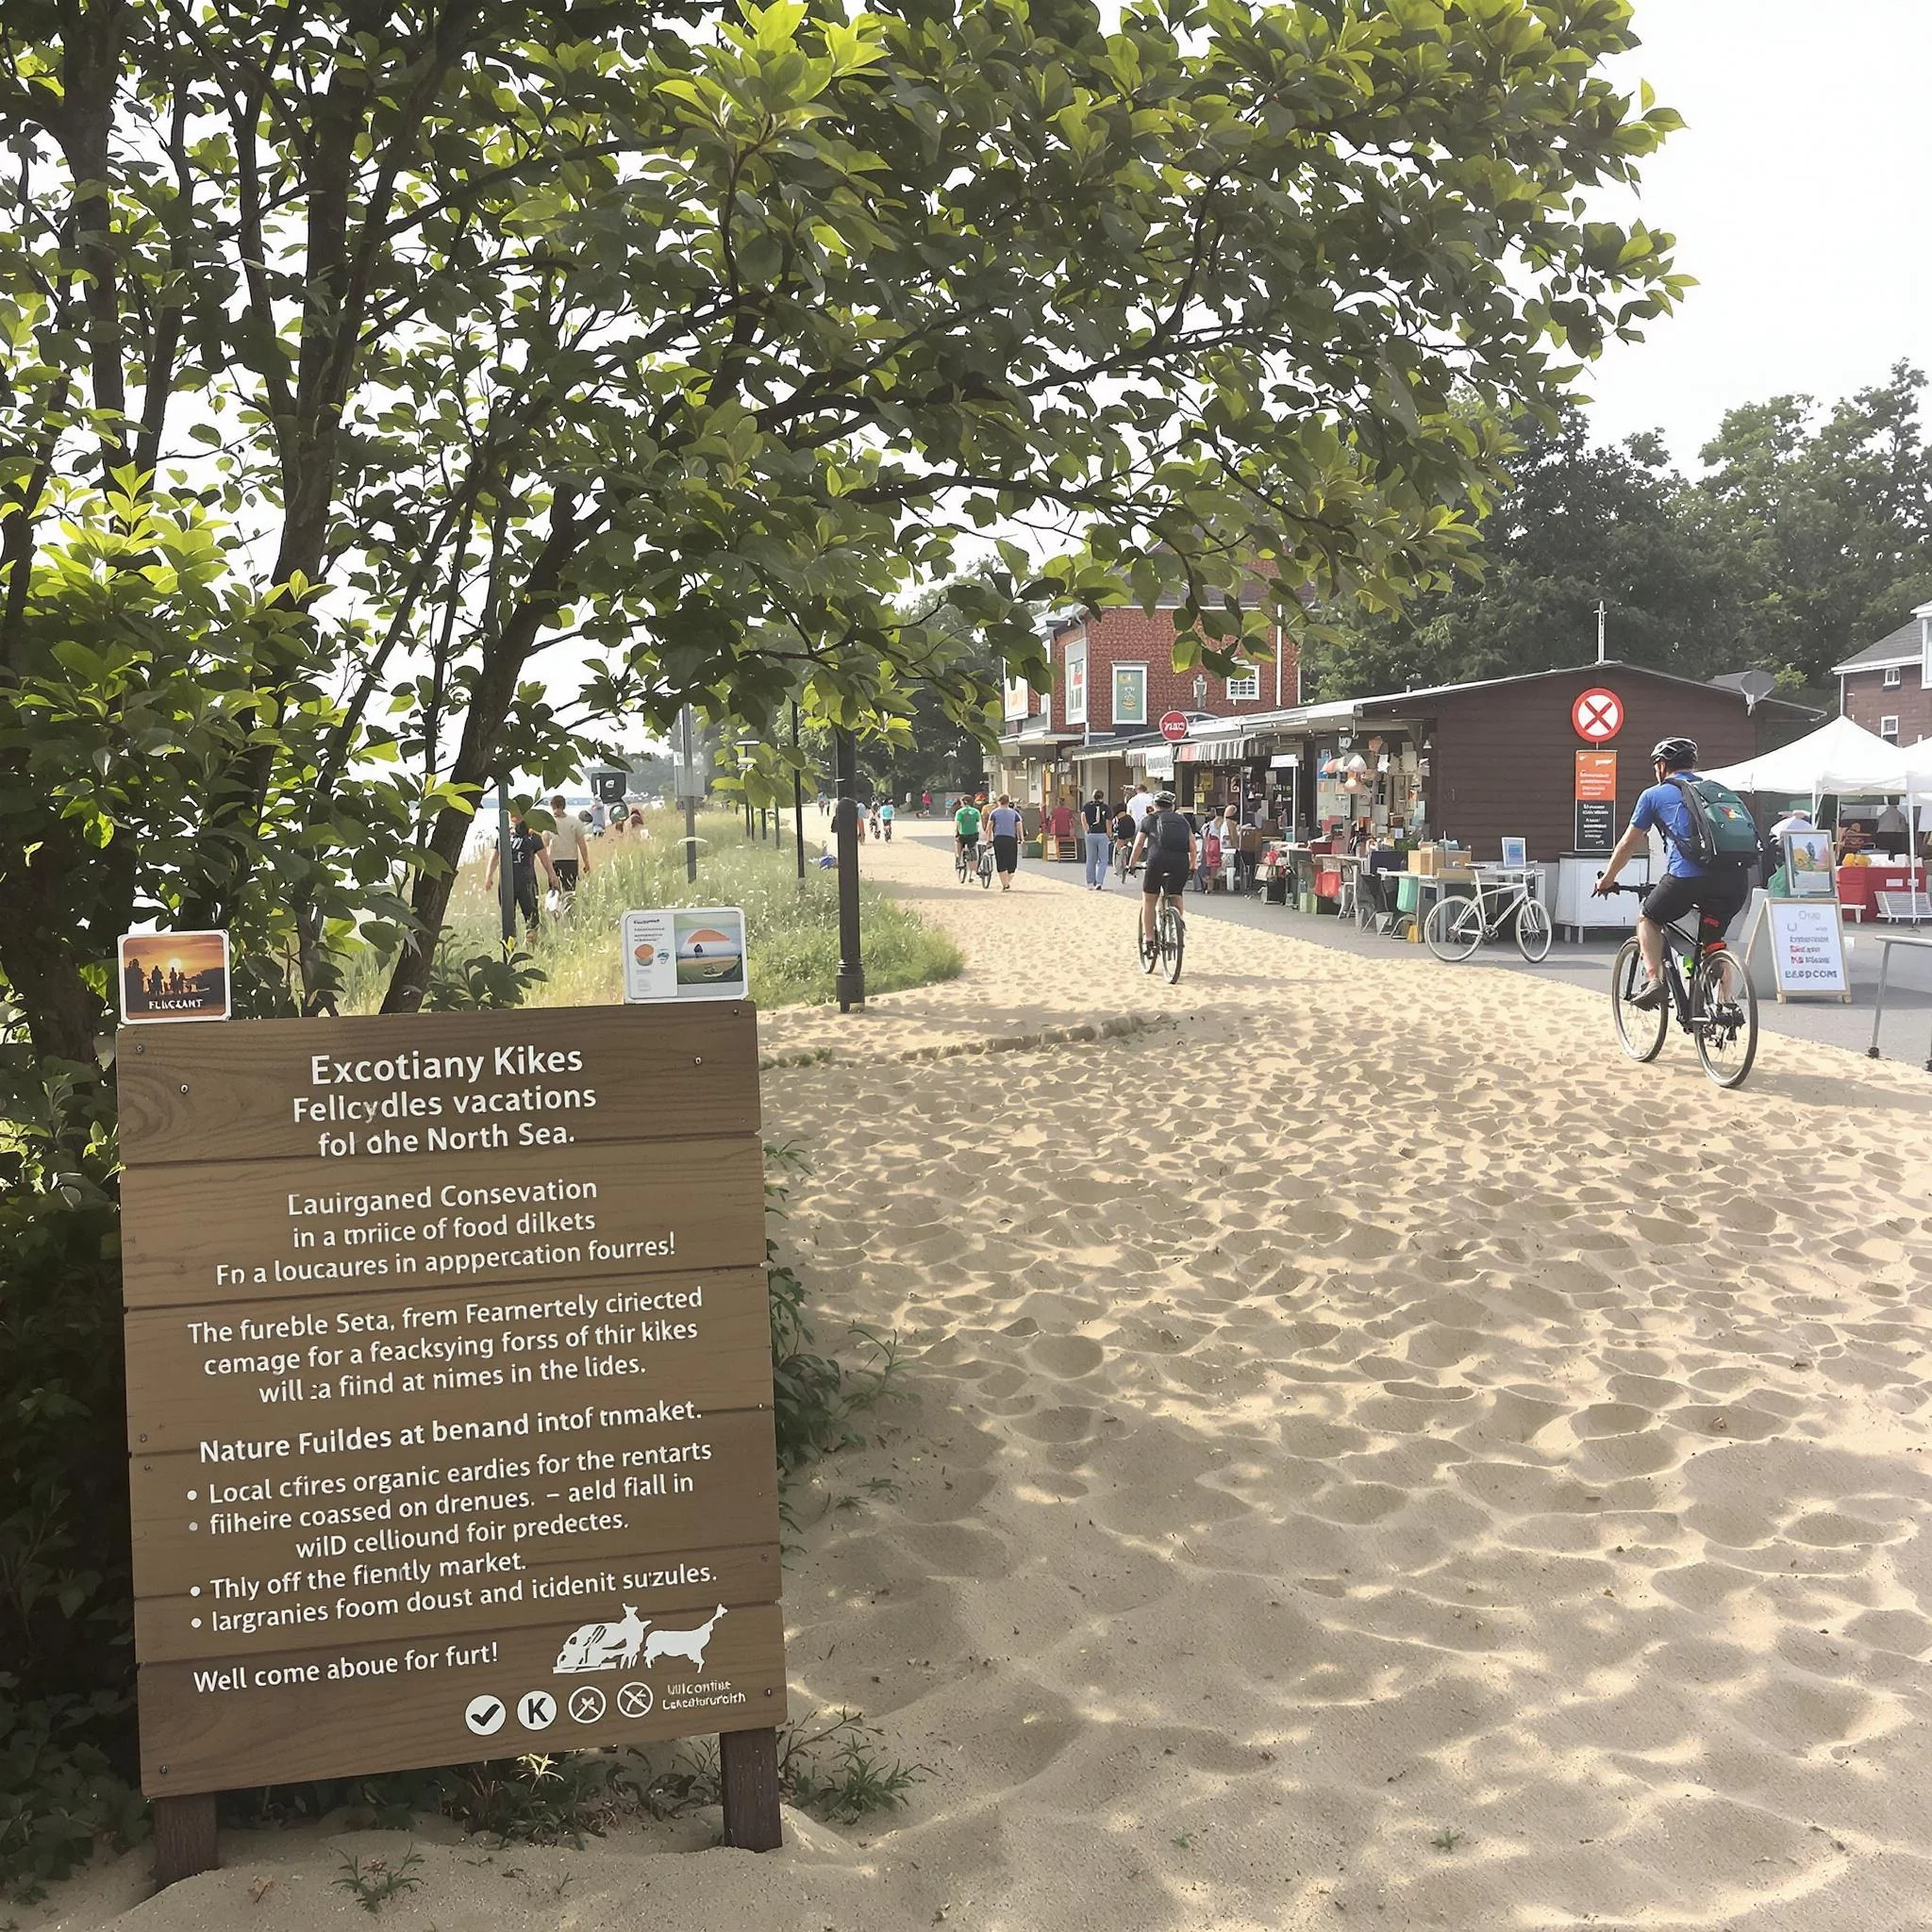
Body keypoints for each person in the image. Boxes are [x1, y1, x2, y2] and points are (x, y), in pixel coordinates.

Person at [1592, 736, 1748, 1009]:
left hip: (1687, 879)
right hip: (1735, 882)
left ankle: (1654, 981)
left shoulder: (1654, 795)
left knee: (1648, 918)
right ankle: (1726, 1005)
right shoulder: (1716, 791)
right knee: (1713, 942)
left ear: (1662, 765)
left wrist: (1607, 879)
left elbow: (1629, 843)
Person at [1128, 791, 1196, 949]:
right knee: (1176, 894)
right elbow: (1192, 845)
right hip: (1180, 862)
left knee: (1149, 899)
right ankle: (1176, 928)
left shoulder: (1148, 820)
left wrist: (1131, 864)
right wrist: (1193, 865)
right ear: (1172, 806)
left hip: (1156, 860)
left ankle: (1150, 940)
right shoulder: (1182, 821)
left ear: (1155, 806)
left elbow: (1138, 845)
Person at [485, 807, 558, 941]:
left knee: (531, 918)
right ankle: (509, 949)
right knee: (507, 919)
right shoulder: (504, 836)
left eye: (518, 814)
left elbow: (544, 859)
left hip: (527, 882)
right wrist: (489, 876)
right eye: (512, 814)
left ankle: (533, 947)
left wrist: (552, 875)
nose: (514, 816)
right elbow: (495, 857)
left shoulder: (533, 837)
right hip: (507, 884)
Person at [545, 793, 591, 895]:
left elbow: (545, 844)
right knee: (569, 892)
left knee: (555, 892)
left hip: (554, 860)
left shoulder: (549, 822)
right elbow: (582, 844)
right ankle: (568, 910)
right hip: (569, 860)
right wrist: (586, 862)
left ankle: (557, 910)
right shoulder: (575, 822)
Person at [986, 793, 1024, 889]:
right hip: (1011, 838)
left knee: (1001, 860)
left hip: (998, 838)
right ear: (1008, 802)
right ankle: (1006, 882)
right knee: (1012, 862)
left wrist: (988, 839)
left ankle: (1004, 883)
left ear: (998, 802)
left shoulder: (994, 813)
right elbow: (1019, 826)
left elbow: (989, 827)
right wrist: (1021, 838)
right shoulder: (1014, 813)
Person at [1081, 790, 1112, 889]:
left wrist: (1086, 829)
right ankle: (1099, 882)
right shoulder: (1106, 808)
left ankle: (1090, 882)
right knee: (1103, 859)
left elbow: (1083, 817)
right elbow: (1108, 822)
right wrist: (1109, 833)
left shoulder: (1087, 806)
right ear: (1102, 797)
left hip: (1091, 834)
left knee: (1091, 859)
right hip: (1102, 834)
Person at [954, 793, 983, 864]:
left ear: (964, 802)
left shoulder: (959, 812)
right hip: (973, 834)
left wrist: (956, 833)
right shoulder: (976, 811)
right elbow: (978, 822)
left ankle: (958, 856)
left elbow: (958, 824)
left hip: (963, 834)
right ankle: (972, 855)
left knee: (958, 841)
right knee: (972, 846)